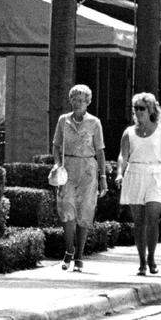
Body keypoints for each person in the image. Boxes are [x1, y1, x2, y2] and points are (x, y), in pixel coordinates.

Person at [116, 92, 161, 276]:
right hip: (135, 174)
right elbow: (123, 156)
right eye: (135, 108)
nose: (138, 111)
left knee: (152, 218)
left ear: (151, 109)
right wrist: (119, 174)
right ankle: (142, 262)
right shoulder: (129, 132)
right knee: (139, 222)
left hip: (156, 175)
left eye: (141, 108)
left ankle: (151, 258)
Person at [50, 84, 107, 271]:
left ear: (88, 102)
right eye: (75, 100)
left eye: (82, 100)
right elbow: (56, 145)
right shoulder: (63, 120)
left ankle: (80, 256)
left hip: (88, 169)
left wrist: (103, 176)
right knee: (66, 209)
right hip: (68, 168)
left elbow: (100, 151)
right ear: (71, 101)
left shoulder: (94, 122)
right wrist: (57, 164)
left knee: (85, 211)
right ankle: (69, 250)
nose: (78, 103)